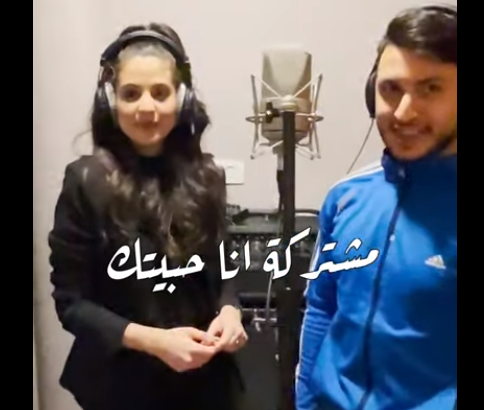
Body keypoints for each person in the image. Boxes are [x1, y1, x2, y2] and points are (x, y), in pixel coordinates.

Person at [48, 22, 248, 410]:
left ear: (182, 99)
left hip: (206, 383)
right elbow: (71, 304)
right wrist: (156, 342)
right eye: (131, 94)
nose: (146, 108)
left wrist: (230, 310)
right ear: (111, 101)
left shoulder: (207, 176)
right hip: (122, 386)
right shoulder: (85, 181)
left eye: (160, 93)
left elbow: (223, 268)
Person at [296, 5, 457, 410]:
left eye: (430, 88)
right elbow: (322, 308)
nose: (403, 112)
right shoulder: (344, 197)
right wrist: (305, 402)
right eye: (391, 89)